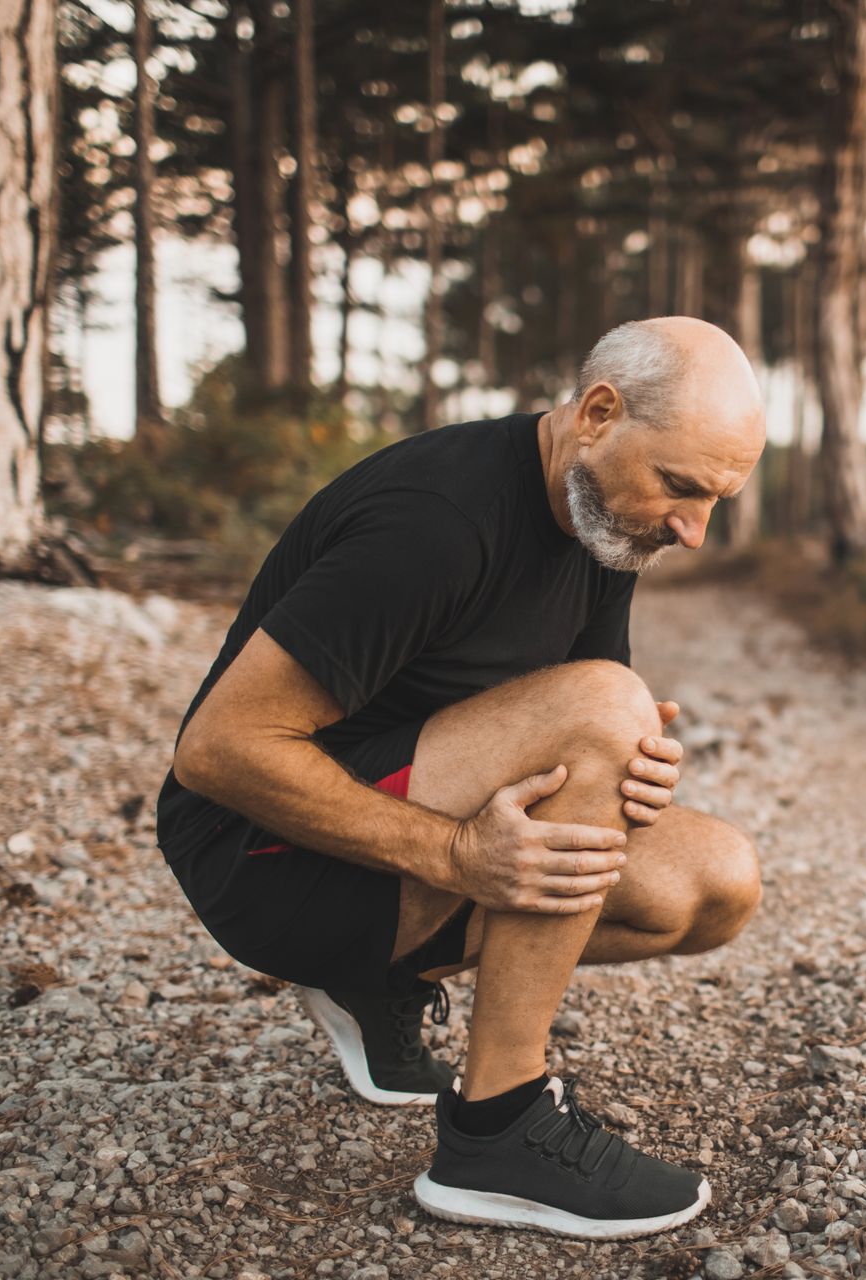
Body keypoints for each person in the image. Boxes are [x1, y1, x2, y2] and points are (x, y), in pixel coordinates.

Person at [154, 317, 767, 1240]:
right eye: (682, 488)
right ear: (598, 413)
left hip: (387, 850)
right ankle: (496, 1130)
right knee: (605, 706)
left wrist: (636, 770)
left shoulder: (604, 518)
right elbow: (216, 750)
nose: (692, 529)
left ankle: (375, 983)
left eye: (717, 499)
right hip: (259, 859)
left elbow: (574, 731)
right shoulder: (436, 523)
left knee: (716, 883)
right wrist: (453, 853)